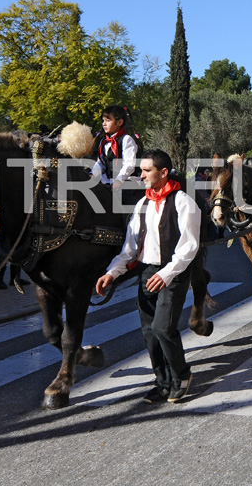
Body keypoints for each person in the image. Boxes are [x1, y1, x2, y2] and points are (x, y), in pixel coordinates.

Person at [95, 149, 201, 404]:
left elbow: (189, 247)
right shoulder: (142, 204)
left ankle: (182, 375)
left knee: (163, 328)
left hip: (172, 273)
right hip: (146, 272)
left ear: (163, 173)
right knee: (149, 332)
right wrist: (112, 273)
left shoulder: (183, 202)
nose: (140, 175)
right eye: (140, 170)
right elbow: (130, 248)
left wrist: (166, 274)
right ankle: (162, 382)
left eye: (146, 170)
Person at [91, 105, 140, 206]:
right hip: (108, 181)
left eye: (108, 120)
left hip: (126, 182)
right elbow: (100, 163)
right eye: (103, 120)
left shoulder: (126, 139)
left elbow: (129, 164)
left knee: (124, 205)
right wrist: (93, 174)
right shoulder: (103, 142)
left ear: (119, 122)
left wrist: (118, 180)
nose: (104, 124)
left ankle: (128, 220)